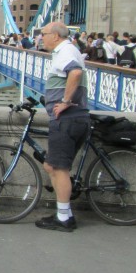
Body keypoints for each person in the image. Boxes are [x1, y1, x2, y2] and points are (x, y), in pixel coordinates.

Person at [35, 22, 91, 232]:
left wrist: (66, 101)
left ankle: (64, 218)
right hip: (74, 119)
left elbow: (75, 73)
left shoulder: (65, 51)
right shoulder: (67, 50)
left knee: (59, 168)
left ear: (56, 36)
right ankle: (64, 212)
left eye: (44, 34)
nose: (41, 37)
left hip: (68, 120)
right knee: (52, 166)